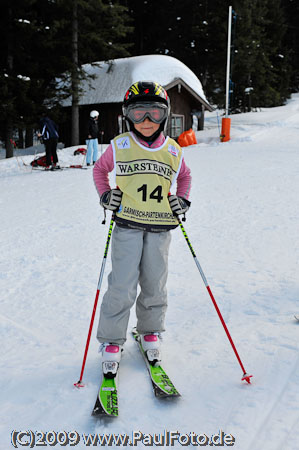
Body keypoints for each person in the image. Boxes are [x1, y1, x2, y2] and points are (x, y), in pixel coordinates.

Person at [93, 81, 192, 378]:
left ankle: (149, 331)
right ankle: (112, 338)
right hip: (127, 224)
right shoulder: (120, 145)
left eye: (154, 113)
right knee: (121, 284)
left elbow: (185, 177)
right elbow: (100, 170)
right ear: (127, 115)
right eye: (138, 113)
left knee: (154, 282)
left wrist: (183, 200)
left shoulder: (173, 149)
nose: (146, 121)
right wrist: (105, 194)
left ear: (165, 115)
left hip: (161, 227)